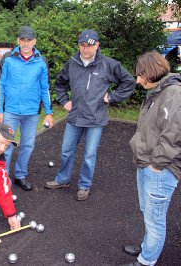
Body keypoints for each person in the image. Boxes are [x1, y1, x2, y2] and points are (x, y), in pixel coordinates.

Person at [44, 29, 135, 200]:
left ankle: (84, 185)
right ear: (79, 45)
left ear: (97, 45)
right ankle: (63, 179)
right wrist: (64, 101)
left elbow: (128, 81)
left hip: (95, 118)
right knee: (66, 151)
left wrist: (112, 97)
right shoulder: (71, 63)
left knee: (89, 155)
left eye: (89, 45)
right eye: (82, 45)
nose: (85, 49)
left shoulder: (108, 64)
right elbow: (60, 83)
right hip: (75, 116)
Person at [121, 51, 181, 266]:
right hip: (147, 162)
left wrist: (158, 163)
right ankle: (149, 247)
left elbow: (175, 133)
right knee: (148, 211)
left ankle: (146, 260)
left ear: (152, 72)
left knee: (154, 219)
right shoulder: (159, 91)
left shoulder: (173, 93)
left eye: (141, 75)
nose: (138, 80)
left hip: (160, 168)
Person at [0, 26, 54, 191]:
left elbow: (44, 88)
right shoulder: (8, 58)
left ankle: (20, 175)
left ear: (34, 41)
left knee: (28, 145)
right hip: (10, 111)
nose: (25, 43)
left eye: (29, 40)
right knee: (6, 144)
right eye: (22, 40)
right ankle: (3, 178)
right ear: (18, 41)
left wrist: (49, 112)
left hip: (31, 113)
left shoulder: (41, 61)